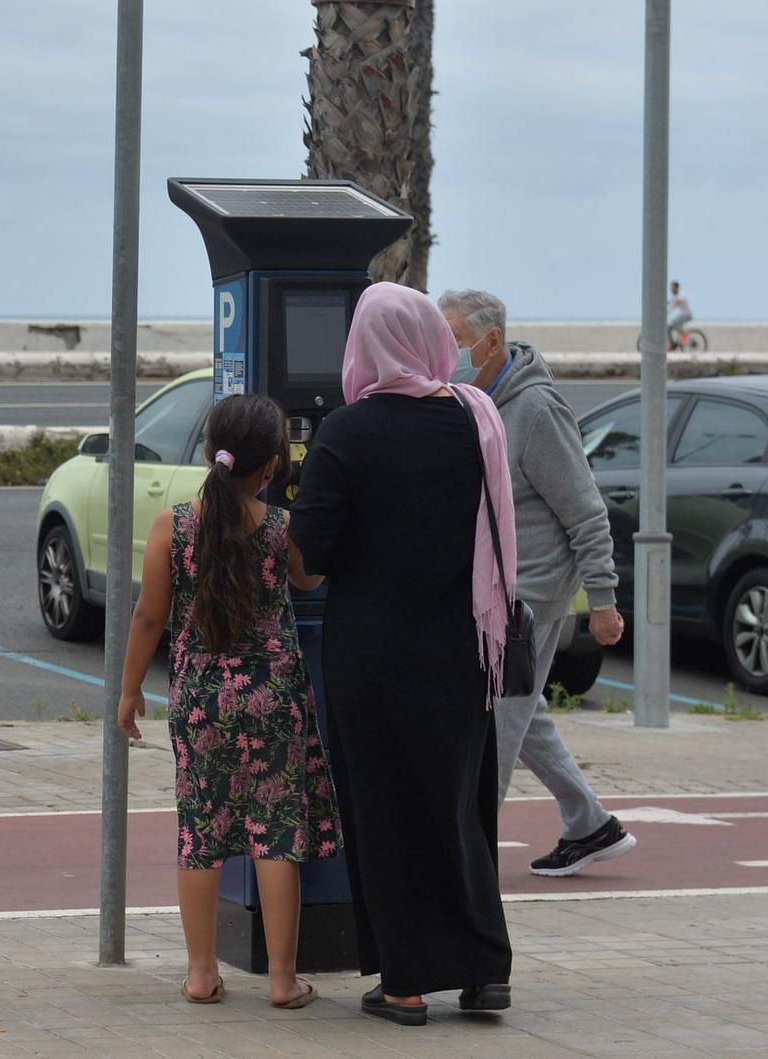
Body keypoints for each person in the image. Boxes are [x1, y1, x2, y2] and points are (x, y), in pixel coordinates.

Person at [288, 282, 514, 1027]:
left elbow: (309, 558)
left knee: (383, 811)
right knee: (460, 807)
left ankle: (407, 982)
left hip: (374, 657)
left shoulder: (347, 433)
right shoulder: (473, 419)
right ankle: (484, 972)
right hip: (462, 649)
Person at [116, 394, 339, 1012]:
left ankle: (200, 974)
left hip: (200, 699)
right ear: (270, 467)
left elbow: (148, 617)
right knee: (275, 836)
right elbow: (310, 579)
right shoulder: (277, 528)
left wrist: (130, 691)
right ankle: (282, 980)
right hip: (272, 694)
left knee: (201, 834)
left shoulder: (173, 526)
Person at [440, 289, 636, 875]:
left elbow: (586, 510)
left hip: (532, 596)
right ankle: (590, 822)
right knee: (523, 713)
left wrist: (602, 601)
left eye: (453, 341)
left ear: (491, 340)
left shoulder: (537, 410)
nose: (446, 353)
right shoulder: (475, 401)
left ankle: (470, 862)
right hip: (491, 591)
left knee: (497, 725)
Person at [667, 281, 694, 350]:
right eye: (671, 288)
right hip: (683, 315)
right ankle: (672, 343)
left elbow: (677, 302)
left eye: (673, 288)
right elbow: (669, 301)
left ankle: (684, 335)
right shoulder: (674, 295)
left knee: (672, 324)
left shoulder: (682, 294)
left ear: (677, 288)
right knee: (669, 327)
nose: (672, 290)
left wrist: (669, 310)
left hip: (687, 315)